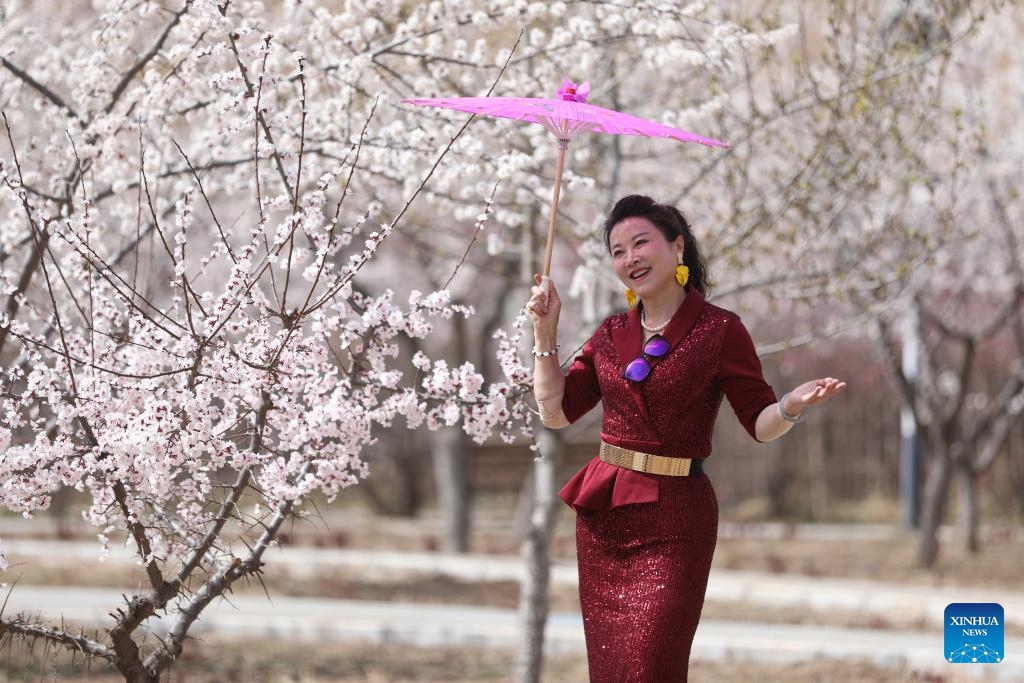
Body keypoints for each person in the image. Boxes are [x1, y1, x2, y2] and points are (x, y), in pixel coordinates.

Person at [526, 194, 845, 682]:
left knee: (651, 666)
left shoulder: (720, 330)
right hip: (606, 520)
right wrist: (545, 333)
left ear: (677, 247)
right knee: (610, 671)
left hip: (676, 521)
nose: (629, 257)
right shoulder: (610, 333)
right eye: (617, 251)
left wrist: (790, 407)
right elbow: (555, 412)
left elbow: (759, 421)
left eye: (640, 243)